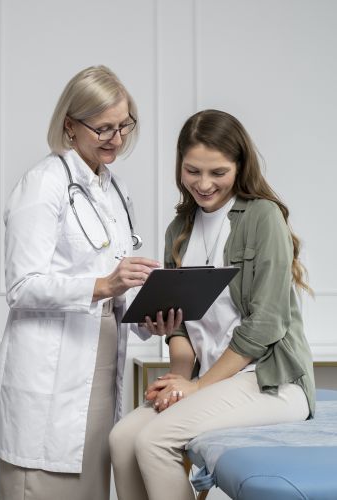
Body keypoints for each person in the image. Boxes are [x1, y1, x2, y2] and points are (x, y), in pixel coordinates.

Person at [109, 109, 316, 500]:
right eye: (193, 171)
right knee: (122, 438)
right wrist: (177, 380)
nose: (203, 184)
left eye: (218, 172)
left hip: (270, 381)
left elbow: (267, 323)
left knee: (154, 440)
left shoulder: (262, 217)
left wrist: (197, 386)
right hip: (211, 381)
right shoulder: (180, 228)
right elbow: (181, 326)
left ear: (239, 167)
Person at [0, 65, 162, 500]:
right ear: (70, 125)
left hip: (99, 359)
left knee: (88, 484)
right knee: (42, 483)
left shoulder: (114, 190)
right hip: (50, 372)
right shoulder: (42, 184)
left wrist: (149, 319)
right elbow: (22, 286)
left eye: (124, 126)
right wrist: (102, 286)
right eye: (103, 128)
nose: (116, 139)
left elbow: (115, 281)